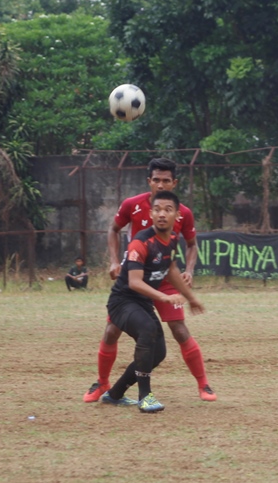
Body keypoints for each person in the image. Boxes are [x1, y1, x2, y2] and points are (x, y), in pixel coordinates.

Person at [84, 157, 216, 403]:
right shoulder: (132, 206)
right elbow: (113, 229)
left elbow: (189, 246)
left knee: (178, 329)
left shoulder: (182, 213)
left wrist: (189, 272)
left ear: (174, 183)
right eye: (156, 180)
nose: (161, 185)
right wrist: (114, 261)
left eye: (166, 180)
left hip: (163, 276)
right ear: (149, 182)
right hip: (134, 278)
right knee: (113, 330)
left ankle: (204, 385)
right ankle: (103, 384)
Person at [99, 190, 205, 412]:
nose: (161, 214)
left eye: (168, 210)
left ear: (177, 215)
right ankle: (145, 397)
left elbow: (172, 269)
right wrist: (165, 297)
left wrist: (191, 298)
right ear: (151, 213)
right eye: (157, 209)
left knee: (159, 352)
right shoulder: (141, 242)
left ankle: (115, 393)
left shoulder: (172, 239)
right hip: (122, 301)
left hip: (141, 303)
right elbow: (135, 283)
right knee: (147, 329)